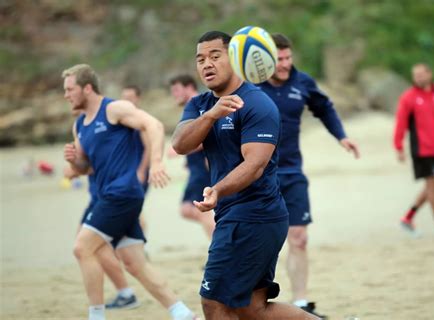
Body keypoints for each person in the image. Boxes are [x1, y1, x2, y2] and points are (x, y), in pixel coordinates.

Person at [172, 31, 319, 320]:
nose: (206, 64)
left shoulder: (257, 103)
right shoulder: (200, 105)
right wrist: (211, 115)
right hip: (235, 216)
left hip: (255, 216)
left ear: (236, 59)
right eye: (200, 59)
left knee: (213, 301)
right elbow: (180, 144)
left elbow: (255, 165)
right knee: (252, 309)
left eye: (215, 56)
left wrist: (218, 190)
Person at [62, 64, 199, 320]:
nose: (66, 95)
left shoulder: (113, 109)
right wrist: (73, 161)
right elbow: (85, 168)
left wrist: (157, 162)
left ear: (87, 88)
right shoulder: (79, 125)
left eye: (70, 89)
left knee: (82, 248)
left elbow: (154, 125)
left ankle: (96, 316)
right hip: (109, 195)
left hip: (123, 192)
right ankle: (181, 312)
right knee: (135, 263)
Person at [257, 33, 360, 318]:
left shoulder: (302, 82)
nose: (285, 64)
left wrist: (342, 136)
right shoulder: (251, 87)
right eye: (279, 60)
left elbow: (324, 108)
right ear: (265, 60)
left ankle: (301, 301)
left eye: (288, 58)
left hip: (292, 173)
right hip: (257, 175)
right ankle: (258, 299)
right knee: (265, 240)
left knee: (299, 238)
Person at [393, 63, 434, 238]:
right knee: (433, 185)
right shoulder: (409, 97)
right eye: (416, 75)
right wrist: (398, 146)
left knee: (433, 185)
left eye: (421, 74)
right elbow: (401, 123)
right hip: (421, 149)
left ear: (429, 74)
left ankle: (407, 218)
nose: (419, 78)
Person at [63, 165, 140, 310]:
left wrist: (74, 167)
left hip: (106, 197)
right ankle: (125, 293)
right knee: (91, 248)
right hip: (101, 196)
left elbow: (95, 161)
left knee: (89, 248)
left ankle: (124, 294)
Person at [169, 75, 215, 239]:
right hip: (196, 167)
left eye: (176, 90)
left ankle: (222, 248)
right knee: (187, 209)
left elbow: (208, 134)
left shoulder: (200, 104)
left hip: (204, 168)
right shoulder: (192, 107)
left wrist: (182, 149)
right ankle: (223, 239)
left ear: (189, 87)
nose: (174, 94)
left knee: (199, 211)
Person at [120, 85, 150, 241]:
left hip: (139, 172)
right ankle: (137, 243)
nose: (127, 101)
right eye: (124, 98)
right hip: (125, 173)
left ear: (137, 98)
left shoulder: (141, 119)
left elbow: (148, 148)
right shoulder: (123, 120)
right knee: (132, 210)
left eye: (130, 97)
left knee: (133, 210)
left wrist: (142, 171)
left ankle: (140, 242)